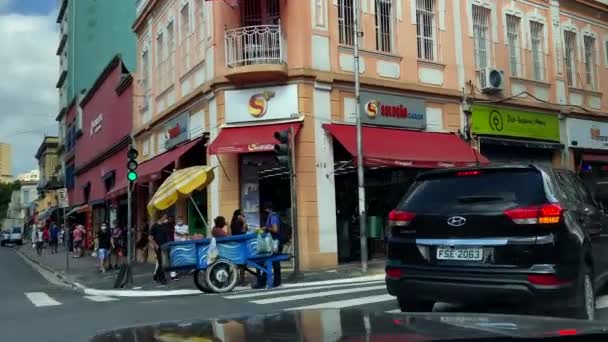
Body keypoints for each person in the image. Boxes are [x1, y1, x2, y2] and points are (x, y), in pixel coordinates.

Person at [254, 202, 282, 289]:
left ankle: (264, 282)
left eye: (265, 209)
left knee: (266, 262)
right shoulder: (273, 216)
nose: (264, 211)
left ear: (267, 209)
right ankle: (275, 282)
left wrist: (266, 228)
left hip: (274, 243)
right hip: (273, 242)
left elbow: (275, 229)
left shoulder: (273, 217)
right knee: (273, 262)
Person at [149, 215, 170, 284]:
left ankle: (156, 276)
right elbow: (150, 237)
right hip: (158, 246)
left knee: (162, 262)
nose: (166, 218)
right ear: (161, 217)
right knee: (161, 263)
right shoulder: (155, 226)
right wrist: (155, 245)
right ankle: (162, 279)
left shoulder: (165, 225)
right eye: (165, 217)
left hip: (165, 246)